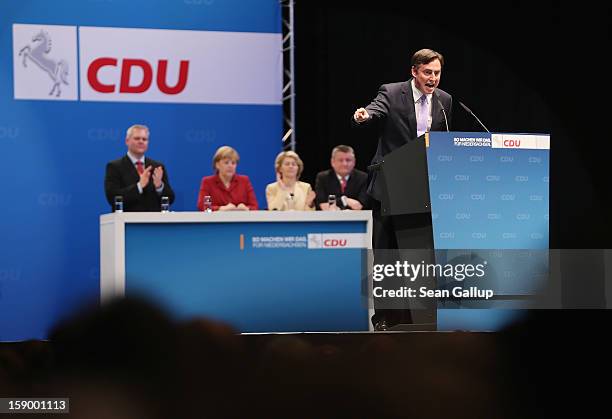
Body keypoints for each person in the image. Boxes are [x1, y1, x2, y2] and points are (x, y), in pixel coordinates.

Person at [353, 48, 453, 330]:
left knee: (418, 257)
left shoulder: (444, 101)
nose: (433, 78)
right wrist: (364, 115)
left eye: (437, 73)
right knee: (386, 256)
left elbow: (443, 144)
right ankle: (384, 318)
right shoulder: (392, 92)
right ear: (414, 72)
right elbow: (376, 109)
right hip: (389, 187)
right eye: (427, 73)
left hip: (424, 190)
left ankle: (417, 318)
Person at [104, 124, 175, 212]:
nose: (141, 141)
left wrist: (159, 187)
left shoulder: (157, 167)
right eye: (137, 138)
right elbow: (113, 198)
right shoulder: (114, 167)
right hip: (126, 222)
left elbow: (170, 199)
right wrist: (139, 186)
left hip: (154, 222)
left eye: (144, 139)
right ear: (127, 141)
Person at [197, 146, 258, 211]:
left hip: (240, 220)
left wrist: (246, 208)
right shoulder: (208, 182)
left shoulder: (244, 181)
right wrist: (221, 208)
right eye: (226, 163)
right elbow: (205, 207)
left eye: (233, 163)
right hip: (217, 220)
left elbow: (254, 206)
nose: (230, 166)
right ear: (217, 165)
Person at [314, 145, 370, 211]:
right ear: (332, 162)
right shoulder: (322, 178)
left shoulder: (364, 178)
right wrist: (344, 200)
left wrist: (335, 203)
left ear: (354, 162)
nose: (345, 164)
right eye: (340, 160)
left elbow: (359, 205)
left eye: (348, 160)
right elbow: (322, 204)